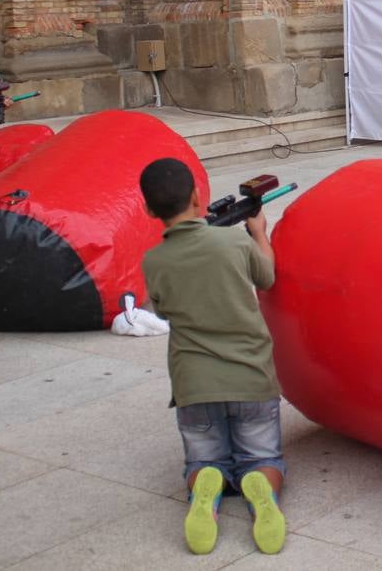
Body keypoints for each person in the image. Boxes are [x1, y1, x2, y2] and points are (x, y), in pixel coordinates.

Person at [139, 157, 287, 557]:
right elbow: (267, 277)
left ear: (149, 210)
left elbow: (161, 312)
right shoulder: (234, 241)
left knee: (205, 460)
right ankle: (261, 490)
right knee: (263, 457)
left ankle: (207, 480)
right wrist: (259, 233)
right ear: (197, 197)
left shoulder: (154, 261)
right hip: (251, 377)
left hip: (194, 384)